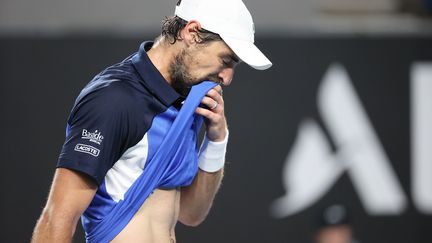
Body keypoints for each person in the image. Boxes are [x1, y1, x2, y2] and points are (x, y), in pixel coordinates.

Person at [31, 0, 272, 242]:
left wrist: (217, 140)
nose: (227, 78)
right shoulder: (114, 99)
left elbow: (191, 213)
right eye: (226, 60)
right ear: (192, 33)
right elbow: (57, 219)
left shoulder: (187, 101)